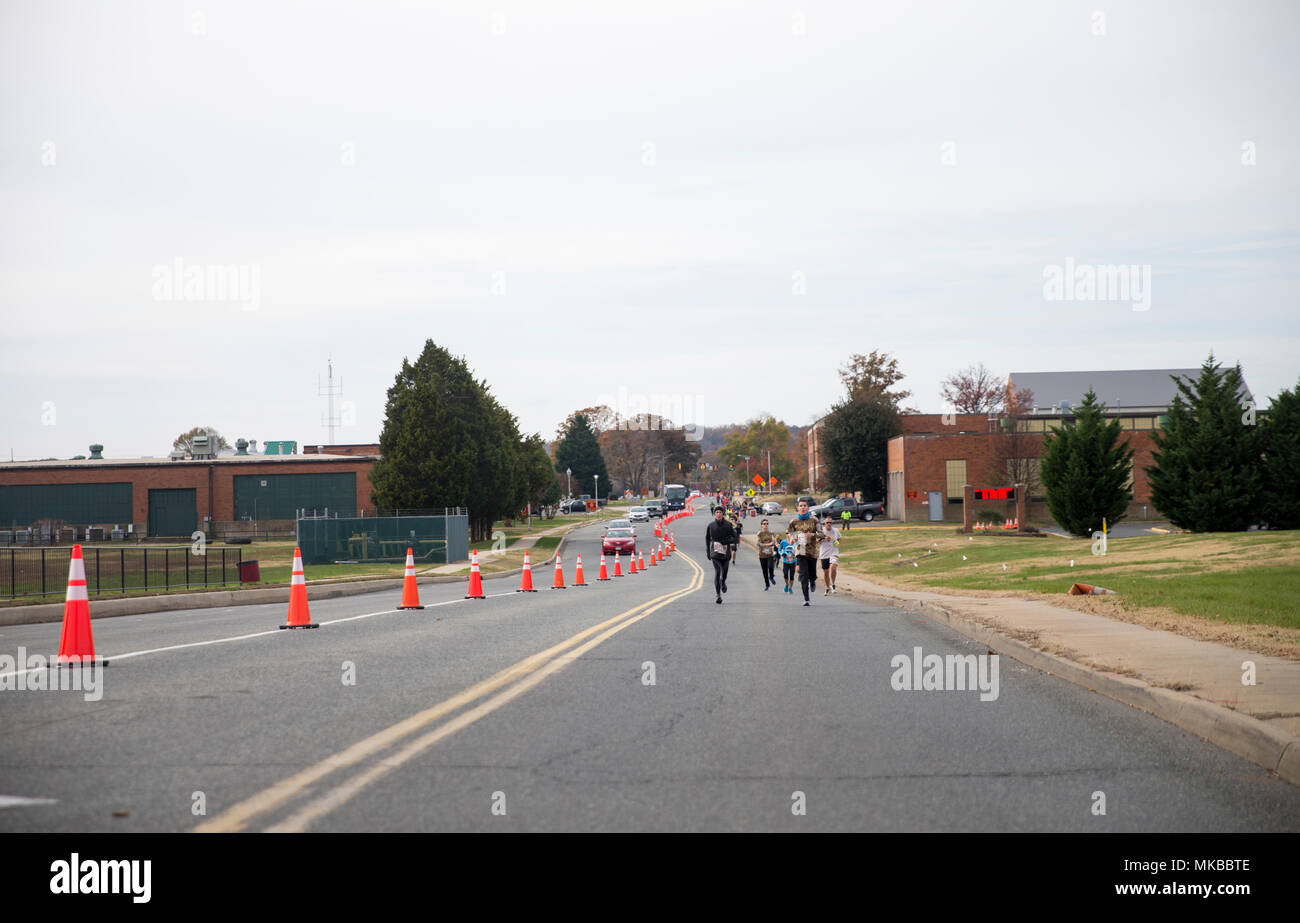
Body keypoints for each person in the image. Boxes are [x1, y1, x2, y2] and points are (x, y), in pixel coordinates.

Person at [786, 498, 822, 606]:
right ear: (797, 508)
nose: (803, 508)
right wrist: (792, 538)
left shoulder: (814, 520)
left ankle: (813, 580)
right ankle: (806, 599)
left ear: (808, 508)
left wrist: (810, 535)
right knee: (803, 575)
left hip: (812, 551)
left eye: (804, 506)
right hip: (800, 551)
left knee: (812, 573)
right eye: (800, 506)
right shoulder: (793, 522)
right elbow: (789, 534)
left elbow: (821, 534)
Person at [705, 506, 737, 604]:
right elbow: (707, 538)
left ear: (723, 514)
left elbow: (735, 538)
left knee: (724, 573)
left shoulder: (728, 525)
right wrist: (707, 551)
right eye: (717, 512)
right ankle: (718, 595)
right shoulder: (711, 525)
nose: (718, 514)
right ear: (715, 514)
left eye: (720, 512)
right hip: (715, 553)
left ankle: (723, 582)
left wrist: (726, 541)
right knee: (717, 571)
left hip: (726, 553)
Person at [820, 518, 841, 595]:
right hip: (824, 554)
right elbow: (816, 540)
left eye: (830, 523)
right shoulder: (821, 531)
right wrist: (825, 538)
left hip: (833, 552)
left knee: (833, 567)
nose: (829, 524)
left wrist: (837, 542)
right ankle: (827, 587)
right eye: (827, 522)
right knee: (826, 572)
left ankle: (833, 584)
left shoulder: (835, 530)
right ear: (824, 523)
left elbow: (839, 538)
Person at [756, 518, 777, 590]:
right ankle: (767, 584)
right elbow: (758, 543)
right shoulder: (759, 533)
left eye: (767, 524)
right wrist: (766, 545)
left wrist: (774, 544)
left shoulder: (770, 533)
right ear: (761, 525)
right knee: (764, 570)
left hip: (770, 554)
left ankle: (771, 576)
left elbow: (774, 541)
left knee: (771, 566)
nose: (766, 525)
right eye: (764, 524)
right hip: (762, 555)